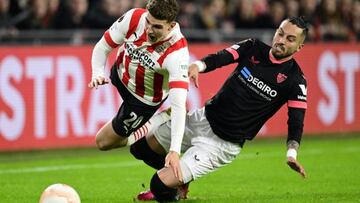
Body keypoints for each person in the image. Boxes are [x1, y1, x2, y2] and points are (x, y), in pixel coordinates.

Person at [132, 16, 309, 202]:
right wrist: (198, 66)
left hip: (221, 145)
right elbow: (222, 57)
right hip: (202, 119)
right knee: (140, 148)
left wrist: (291, 154)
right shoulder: (253, 47)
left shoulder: (296, 80)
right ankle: (178, 180)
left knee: (158, 186)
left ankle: (171, 187)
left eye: (290, 39)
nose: (281, 40)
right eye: (280, 33)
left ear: (299, 47)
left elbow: (296, 120)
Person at [88, 0, 190, 169]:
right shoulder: (135, 17)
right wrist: (97, 73)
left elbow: (179, 105)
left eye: (157, 27)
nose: (149, 29)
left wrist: (174, 150)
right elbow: (103, 47)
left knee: (103, 142)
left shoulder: (177, 53)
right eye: (148, 22)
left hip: (142, 100)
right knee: (114, 138)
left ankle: (159, 119)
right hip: (120, 74)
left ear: (171, 26)